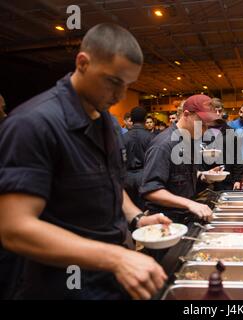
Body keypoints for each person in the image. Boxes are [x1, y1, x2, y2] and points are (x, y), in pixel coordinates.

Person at [0, 23, 171, 300]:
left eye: (127, 85)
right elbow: (15, 229)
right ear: (82, 63)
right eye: (114, 82)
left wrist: (137, 218)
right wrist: (116, 258)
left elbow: (111, 184)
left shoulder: (107, 122)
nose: (119, 96)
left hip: (109, 277)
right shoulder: (33, 125)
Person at [140, 94, 218, 224]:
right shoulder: (163, 145)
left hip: (185, 217)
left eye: (207, 126)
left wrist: (203, 176)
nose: (205, 130)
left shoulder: (190, 141)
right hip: (167, 221)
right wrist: (190, 204)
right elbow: (151, 190)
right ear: (186, 115)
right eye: (202, 124)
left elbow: (180, 175)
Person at [123, 107, 155, 210]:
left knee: (130, 209)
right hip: (145, 176)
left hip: (126, 178)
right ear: (145, 119)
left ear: (131, 119)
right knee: (145, 209)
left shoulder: (123, 137)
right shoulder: (151, 137)